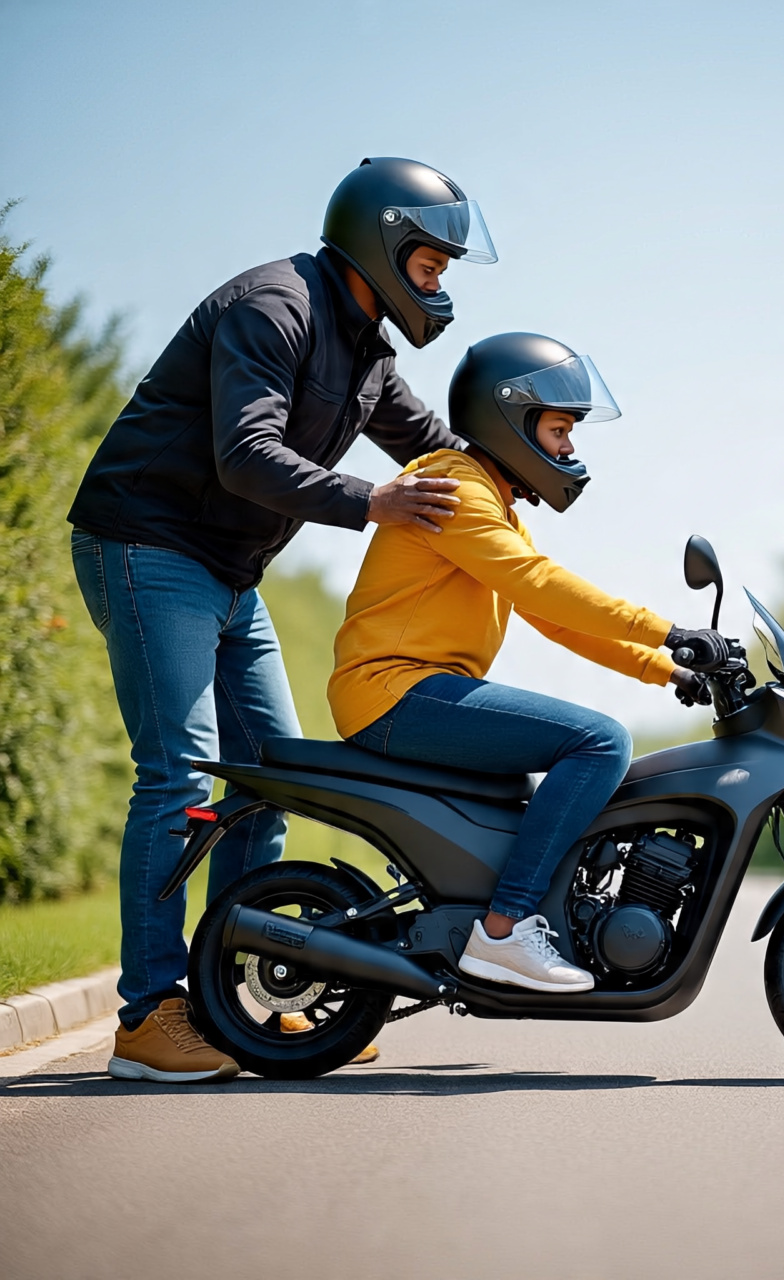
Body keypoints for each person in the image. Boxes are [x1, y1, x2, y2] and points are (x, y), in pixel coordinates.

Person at [67, 157, 498, 1082]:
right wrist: (372, 503)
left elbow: (438, 448)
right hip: (146, 545)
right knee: (178, 774)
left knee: (271, 777)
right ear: (383, 246)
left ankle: (234, 1008)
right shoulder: (277, 308)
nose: (440, 283)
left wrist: (520, 457)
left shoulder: (369, 353)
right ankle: (149, 1016)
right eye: (430, 263)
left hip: (228, 572)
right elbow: (246, 456)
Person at [327, 332, 725, 991]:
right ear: (510, 418)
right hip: (393, 692)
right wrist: (668, 630)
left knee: (585, 747)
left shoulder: (491, 501)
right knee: (600, 741)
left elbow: (552, 618)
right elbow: (538, 584)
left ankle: (519, 916)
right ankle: (505, 930)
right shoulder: (456, 490)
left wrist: (668, 669)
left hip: (416, 691)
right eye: (561, 427)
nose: (570, 447)